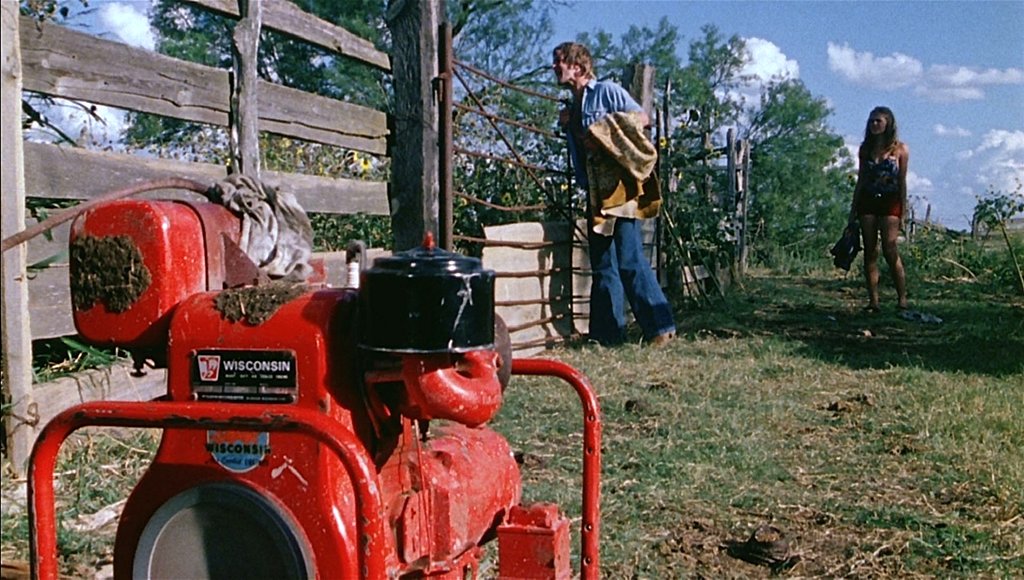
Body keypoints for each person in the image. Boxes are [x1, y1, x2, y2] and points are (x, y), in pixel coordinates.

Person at [553, 41, 676, 346]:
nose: (554, 67)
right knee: (604, 262)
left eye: (560, 62)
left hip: (620, 187)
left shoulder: (606, 92)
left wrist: (601, 130)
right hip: (596, 191)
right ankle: (608, 335)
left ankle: (661, 328)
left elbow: (642, 118)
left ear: (578, 67)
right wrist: (570, 126)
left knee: (629, 257)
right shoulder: (574, 105)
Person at [850, 106, 909, 312]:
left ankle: (902, 298)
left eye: (879, 121)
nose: (874, 124)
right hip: (868, 200)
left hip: (890, 201)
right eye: (872, 121)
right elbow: (861, 180)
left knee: (890, 248)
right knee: (870, 251)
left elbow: (902, 181)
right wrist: (853, 210)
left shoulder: (900, 149)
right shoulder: (865, 149)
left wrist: (904, 209)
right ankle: (873, 301)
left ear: (888, 124)